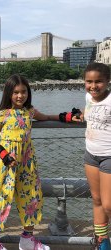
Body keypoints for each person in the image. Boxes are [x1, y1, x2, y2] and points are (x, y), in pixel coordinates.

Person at [0, 74, 80, 250]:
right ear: (8, 93)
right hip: (5, 164)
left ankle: (27, 240)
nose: (20, 96)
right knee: (0, 199)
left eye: (24, 92)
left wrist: (66, 116)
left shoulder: (30, 112)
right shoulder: (3, 114)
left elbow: (46, 117)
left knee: (31, 199)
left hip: (27, 163)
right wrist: (4, 155)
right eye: (16, 92)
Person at [75, 62, 111, 249]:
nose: (93, 86)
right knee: (97, 200)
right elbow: (89, 113)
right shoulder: (88, 97)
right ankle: (102, 242)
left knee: (108, 205)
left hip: (109, 156)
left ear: (108, 81)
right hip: (91, 155)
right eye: (89, 81)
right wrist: (78, 115)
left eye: (98, 81)